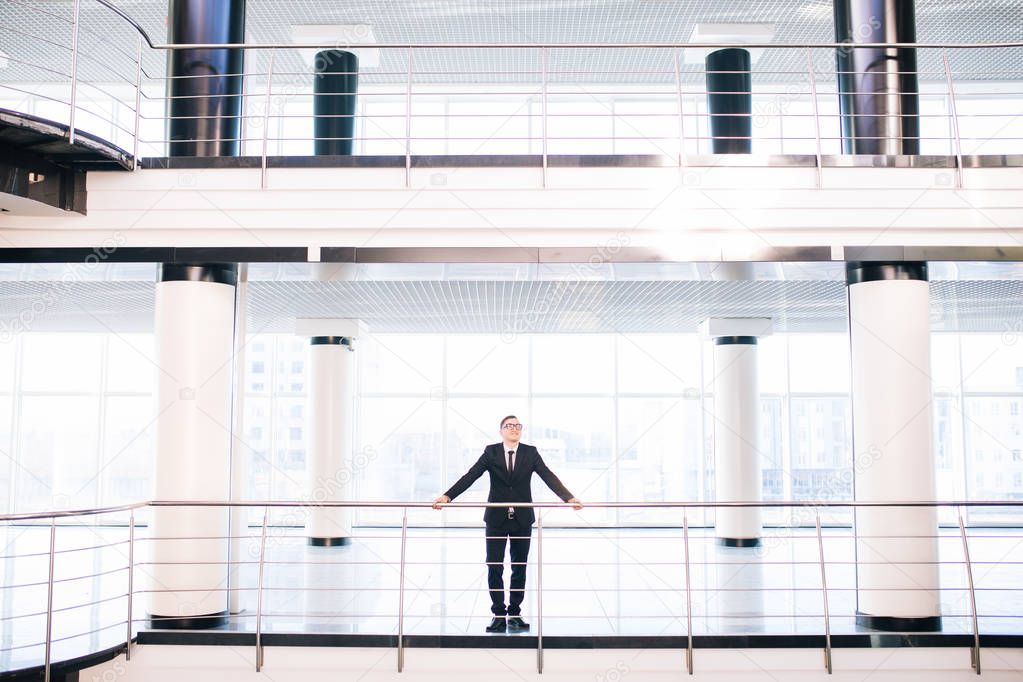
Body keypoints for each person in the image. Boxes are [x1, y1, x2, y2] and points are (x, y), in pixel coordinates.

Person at [433, 415, 583, 633]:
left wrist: (569, 498)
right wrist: (448, 496)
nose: (514, 429)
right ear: (501, 430)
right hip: (496, 519)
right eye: (509, 426)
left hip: (522, 519)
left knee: (519, 567)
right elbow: (471, 476)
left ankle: (514, 613)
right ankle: (498, 614)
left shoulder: (530, 453)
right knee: (494, 566)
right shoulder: (491, 452)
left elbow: (548, 476)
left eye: (518, 426)